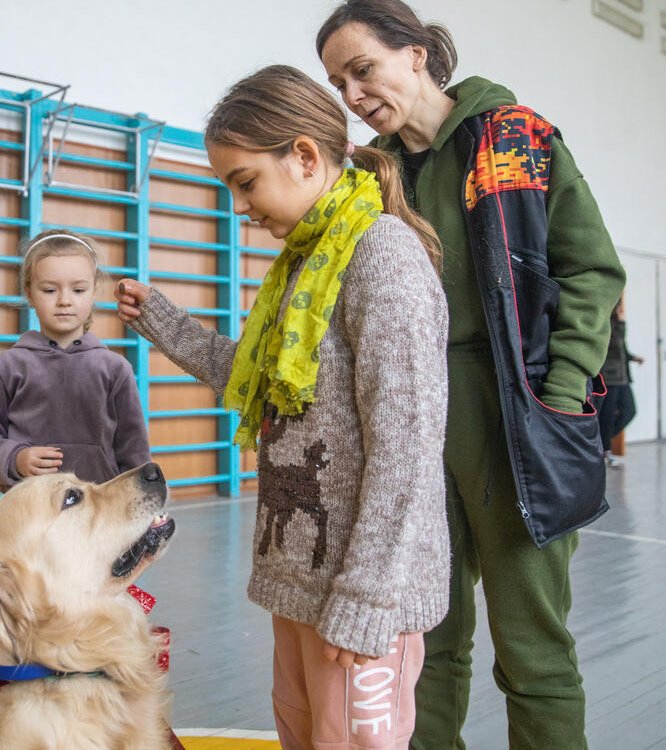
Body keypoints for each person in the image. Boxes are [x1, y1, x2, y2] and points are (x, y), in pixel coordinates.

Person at [316, 3, 627, 749]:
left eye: (363, 70)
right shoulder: (368, 174)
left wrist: (554, 398)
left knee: (533, 651)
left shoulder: (519, 138)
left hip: (514, 417)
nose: (354, 96)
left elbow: (593, 270)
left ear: (417, 54)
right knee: (426, 644)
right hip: (410, 424)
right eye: (338, 83)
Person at [117, 64, 450, 750]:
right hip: (302, 585)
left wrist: (366, 600)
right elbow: (257, 375)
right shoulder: (305, 262)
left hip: (361, 599)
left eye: (245, 182)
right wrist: (161, 320)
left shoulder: (381, 256)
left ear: (303, 155)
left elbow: (408, 449)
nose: (242, 206)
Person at [0, 230, 151, 492]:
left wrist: (138, 501)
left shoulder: (115, 369)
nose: (64, 301)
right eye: (50, 289)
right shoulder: (7, 366)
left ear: (94, 290)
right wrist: (15, 457)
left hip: (99, 517)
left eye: (78, 289)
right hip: (29, 513)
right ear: (29, 292)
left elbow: (134, 450)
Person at [598, 297, 643, 467]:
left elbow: (622, 349)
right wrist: (622, 324)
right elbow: (614, 347)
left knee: (629, 410)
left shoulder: (617, 325)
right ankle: (605, 451)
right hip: (610, 377)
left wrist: (633, 358)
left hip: (623, 377)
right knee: (607, 416)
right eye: (619, 307)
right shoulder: (607, 325)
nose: (621, 310)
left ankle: (601, 441)